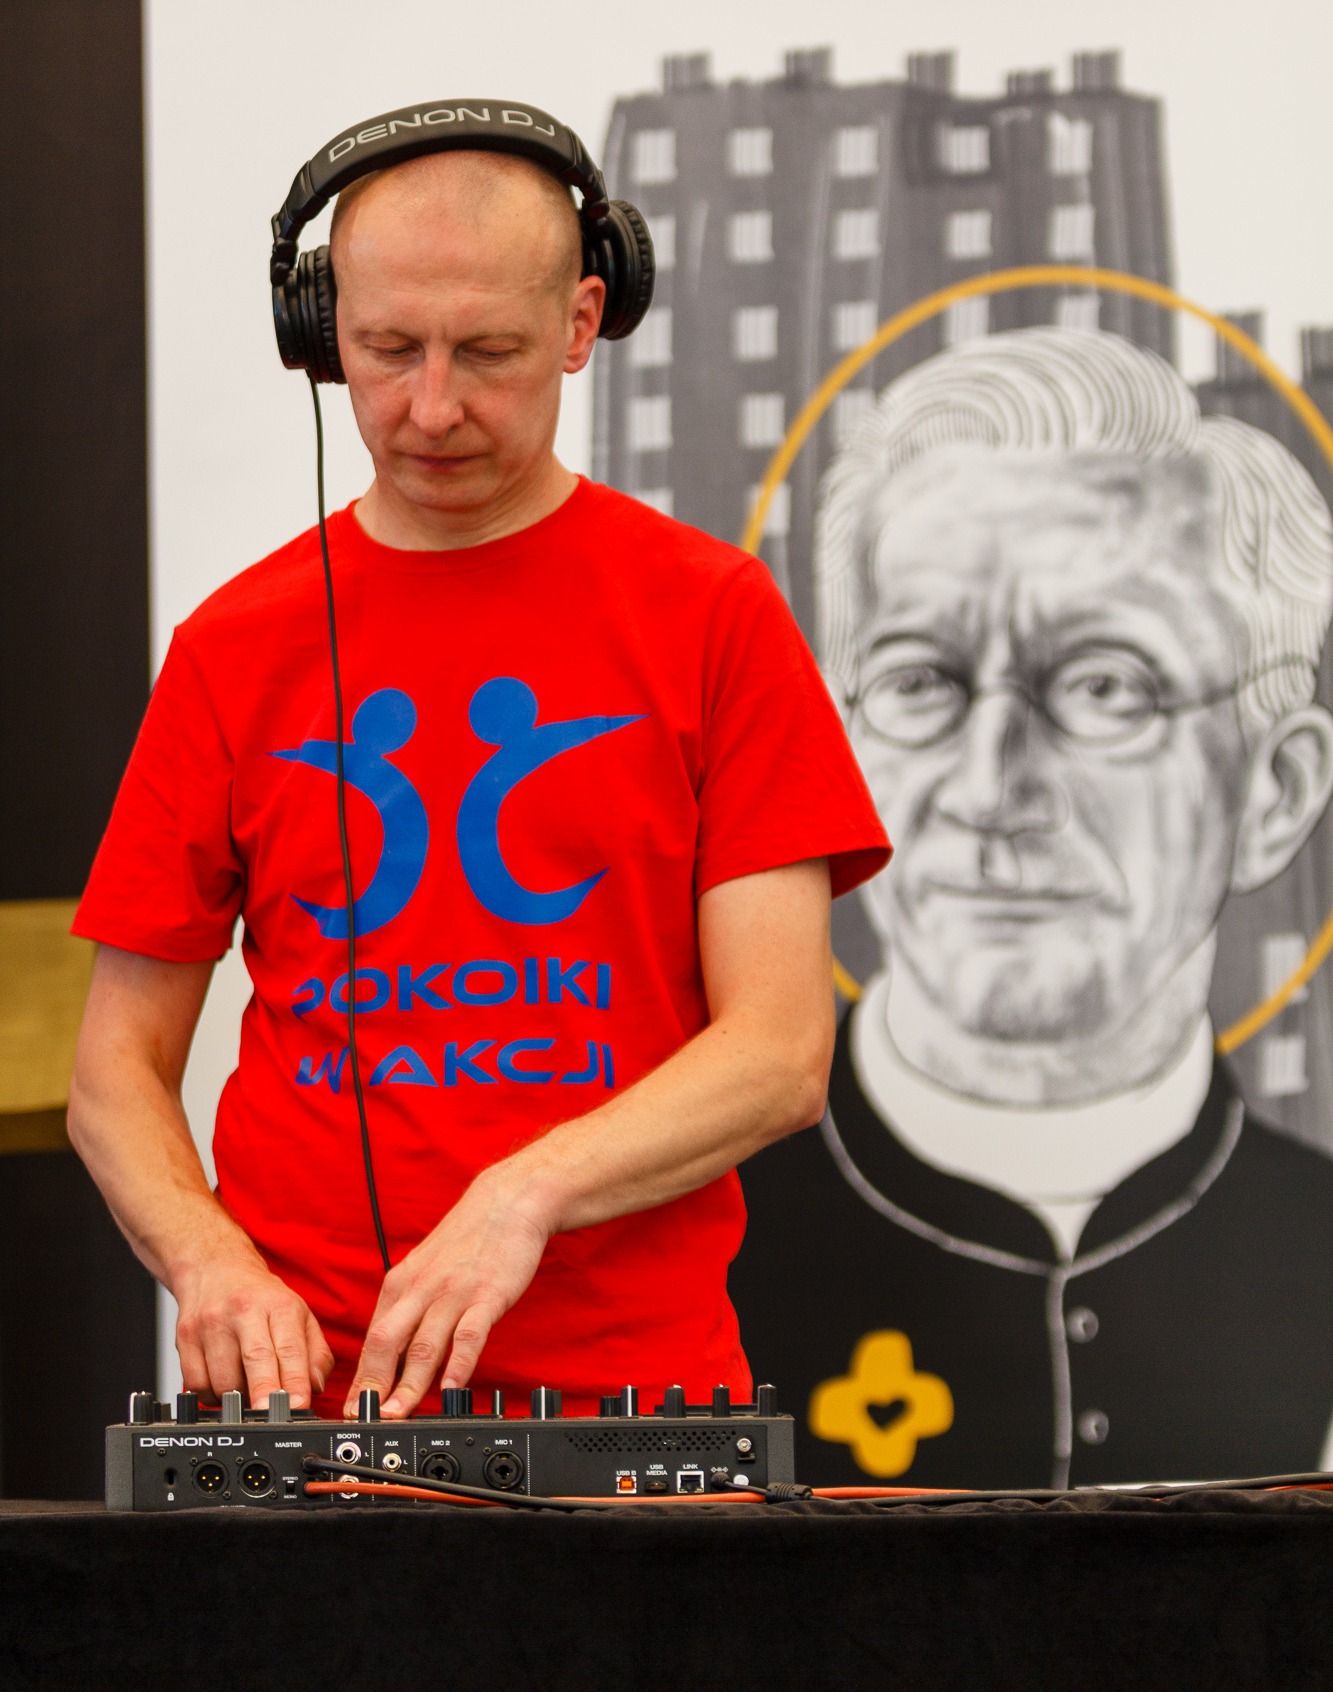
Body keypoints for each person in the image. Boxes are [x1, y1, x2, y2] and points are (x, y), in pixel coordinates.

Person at [67, 130, 889, 1422]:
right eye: (388, 349)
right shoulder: (233, 648)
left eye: (488, 352)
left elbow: (778, 1051)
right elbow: (114, 1070)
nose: (432, 407)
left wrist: (523, 1192)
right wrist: (209, 1261)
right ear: (319, 331)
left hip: (628, 1410)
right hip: (309, 1409)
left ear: (581, 322)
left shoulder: (713, 614)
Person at [731, 325, 1333, 1488]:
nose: (990, 787)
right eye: (918, 681)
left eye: (1106, 685)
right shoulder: (682, 1246)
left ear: (1273, 789)